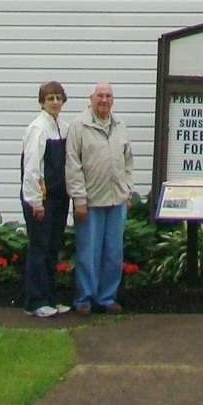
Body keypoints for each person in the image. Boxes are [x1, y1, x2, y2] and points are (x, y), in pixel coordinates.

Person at [65, 81, 134, 314]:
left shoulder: (120, 124)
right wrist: (79, 200)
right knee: (88, 252)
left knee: (114, 252)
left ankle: (107, 297)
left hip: (117, 200)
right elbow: (73, 165)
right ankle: (84, 299)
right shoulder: (79, 126)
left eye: (108, 96)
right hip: (91, 202)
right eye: (100, 95)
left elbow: (128, 161)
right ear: (91, 98)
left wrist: (127, 192)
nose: (104, 100)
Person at [20, 81, 72, 317]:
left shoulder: (63, 127)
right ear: (42, 102)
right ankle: (36, 301)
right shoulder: (37, 129)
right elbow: (31, 168)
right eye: (50, 98)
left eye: (58, 98)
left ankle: (51, 297)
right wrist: (36, 201)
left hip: (60, 198)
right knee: (39, 249)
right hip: (42, 200)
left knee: (52, 248)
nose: (54, 102)